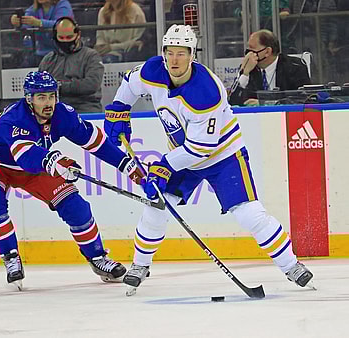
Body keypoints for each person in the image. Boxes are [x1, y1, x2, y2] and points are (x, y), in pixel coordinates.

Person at [103, 25, 314, 293]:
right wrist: (119, 108)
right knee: (156, 205)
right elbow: (129, 85)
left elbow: (200, 149)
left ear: (193, 55)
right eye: (170, 52)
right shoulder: (152, 70)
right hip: (182, 154)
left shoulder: (207, 92)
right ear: (164, 53)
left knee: (249, 214)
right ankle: (140, 264)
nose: (175, 59)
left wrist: (164, 166)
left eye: (182, 53)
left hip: (223, 156)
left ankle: (291, 265)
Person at [0, 71, 143, 289]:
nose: (48, 102)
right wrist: (54, 160)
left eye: (51, 96)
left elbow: (94, 141)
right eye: (41, 97)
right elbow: (26, 158)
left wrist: (126, 165)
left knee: (75, 206)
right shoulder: (14, 120)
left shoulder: (64, 115)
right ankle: (11, 257)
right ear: (29, 99)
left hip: (35, 160)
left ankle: (98, 258)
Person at [228, 29, 311, 106]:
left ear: (267, 51)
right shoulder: (249, 68)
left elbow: (304, 99)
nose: (248, 54)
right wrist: (245, 74)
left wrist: (266, 103)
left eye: (252, 50)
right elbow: (232, 102)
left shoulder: (295, 66)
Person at [38, 17, 104, 113]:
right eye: (61, 38)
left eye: (69, 37)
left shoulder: (91, 56)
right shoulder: (49, 59)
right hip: (56, 109)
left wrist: (59, 86)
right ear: (55, 36)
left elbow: (92, 84)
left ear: (78, 35)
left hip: (85, 107)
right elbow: (39, 85)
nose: (65, 41)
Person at [10, 0, 73, 66]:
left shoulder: (63, 4)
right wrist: (18, 23)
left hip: (62, 53)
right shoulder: (34, 9)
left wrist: (39, 23)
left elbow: (62, 24)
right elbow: (25, 25)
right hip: (41, 53)